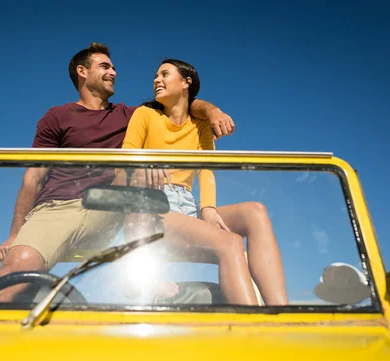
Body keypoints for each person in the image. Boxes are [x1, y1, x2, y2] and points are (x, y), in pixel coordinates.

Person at [0, 43, 236, 302]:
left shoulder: (130, 115)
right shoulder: (57, 116)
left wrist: (212, 112)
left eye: (114, 67)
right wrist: (15, 232)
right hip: (58, 208)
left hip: (110, 207)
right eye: (105, 66)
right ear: (82, 71)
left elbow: (181, 103)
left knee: (139, 172)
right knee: (21, 262)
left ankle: (145, 278)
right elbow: (34, 177)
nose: (114, 72)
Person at [120, 59, 289, 306]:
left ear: (186, 82)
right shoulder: (145, 114)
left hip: (187, 206)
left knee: (255, 212)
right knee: (230, 242)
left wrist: (207, 208)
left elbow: (206, 170)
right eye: (156, 76)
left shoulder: (200, 125)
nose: (157, 80)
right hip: (152, 206)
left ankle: (282, 313)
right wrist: (143, 165)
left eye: (165, 74)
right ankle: (256, 327)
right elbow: (125, 156)